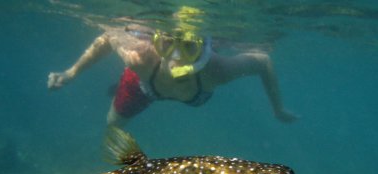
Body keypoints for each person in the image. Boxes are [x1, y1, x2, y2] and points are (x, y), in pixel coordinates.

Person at [48, 7, 297, 127]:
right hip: (144, 84)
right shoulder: (141, 59)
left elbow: (263, 61)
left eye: (189, 47)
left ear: (203, 49)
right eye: (167, 44)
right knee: (112, 123)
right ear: (157, 42)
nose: (176, 58)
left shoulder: (216, 71)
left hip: (197, 91)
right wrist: (70, 73)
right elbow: (109, 37)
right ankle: (120, 86)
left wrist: (279, 108)